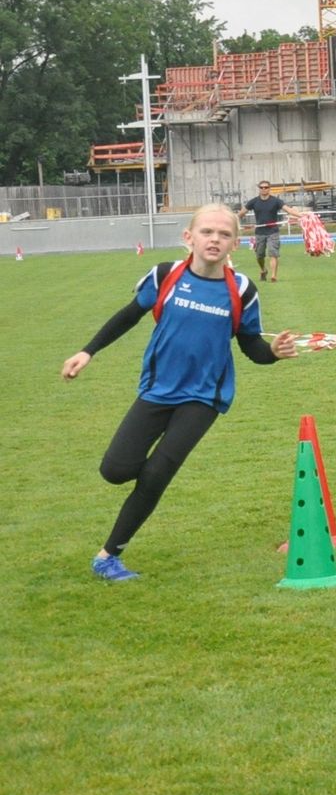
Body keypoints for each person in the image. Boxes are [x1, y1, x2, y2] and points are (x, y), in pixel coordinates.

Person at [62, 204, 300, 581]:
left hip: (204, 398)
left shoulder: (241, 290)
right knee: (115, 470)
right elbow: (128, 315)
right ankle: (140, 485)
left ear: (235, 243)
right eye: (207, 232)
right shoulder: (165, 276)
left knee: (157, 473)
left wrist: (272, 352)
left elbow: (251, 345)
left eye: (224, 234)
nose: (214, 239)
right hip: (157, 390)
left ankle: (108, 556)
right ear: (189, 237)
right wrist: (87, 351)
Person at [239, 180, 307, 282]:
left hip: (273, 232)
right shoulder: (254, 201)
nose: (264, 189)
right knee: (259, 255)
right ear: (259, 189)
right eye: (261, 187)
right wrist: (231, 220)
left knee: (273, 253)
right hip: (260, 232)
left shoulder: (275, 201)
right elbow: (241, 213)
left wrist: (302, 215)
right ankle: (263, 270)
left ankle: (273, 276)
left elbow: (289, 210)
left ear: (269, 188)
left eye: (266, 187)